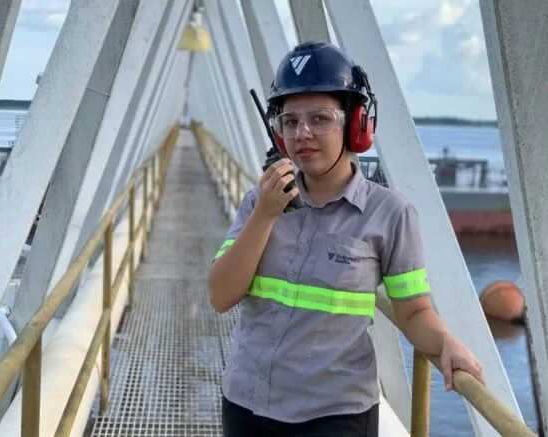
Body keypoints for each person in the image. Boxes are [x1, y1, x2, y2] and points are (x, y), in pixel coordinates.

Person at [207, 41, 484, 437]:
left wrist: (446, 344)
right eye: (290, 121)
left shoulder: (390, 214)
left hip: (335, 416)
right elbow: (220, 296)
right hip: (248, 404)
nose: (303, 134)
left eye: (320, 118)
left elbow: (413, 311)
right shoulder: (259, 199)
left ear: (356, 124)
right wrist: (265, 214)